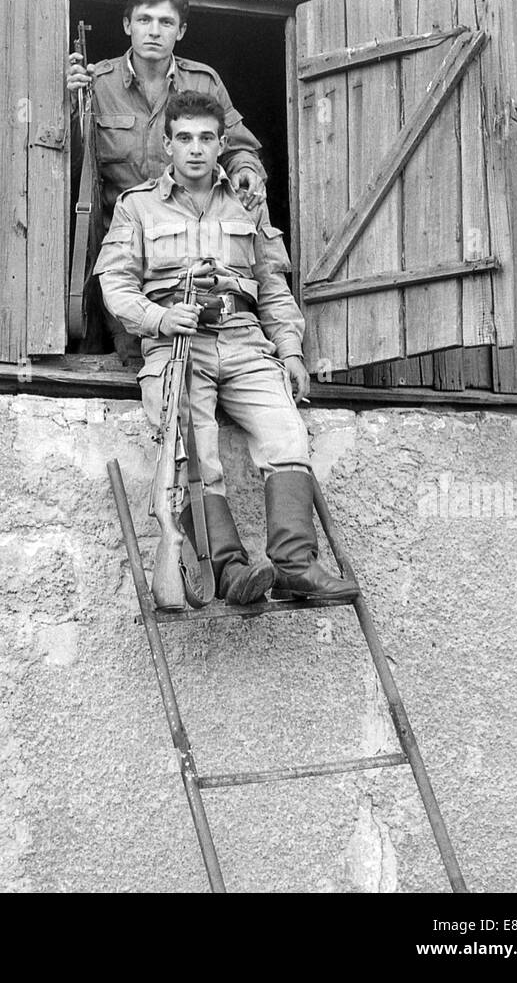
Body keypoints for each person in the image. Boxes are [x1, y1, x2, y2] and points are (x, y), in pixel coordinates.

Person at [94, 90, 359, 607]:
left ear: (221, 145)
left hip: (244, 342)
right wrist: (161, 316)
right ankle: (229, 570)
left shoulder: (247, 204)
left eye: (207, 139)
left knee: (287, 437)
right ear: (167, 143)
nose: (196, 149)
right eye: (185, 138)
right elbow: (116, 285)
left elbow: (273, 283)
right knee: (197, 457)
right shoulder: (137, 207)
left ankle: (295, 564)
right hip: (178, 348)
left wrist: (291, 353)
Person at [68, 0, 267, 223]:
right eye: (144, 20)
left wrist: (246, 170)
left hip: (191, 235)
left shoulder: (204, 83)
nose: (154, 32)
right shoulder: (96, 84)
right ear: (127, 25)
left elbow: (238, 147)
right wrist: (73, 105)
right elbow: (72, 166)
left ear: (180, 31)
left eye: (166, 22)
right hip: (121, 237)